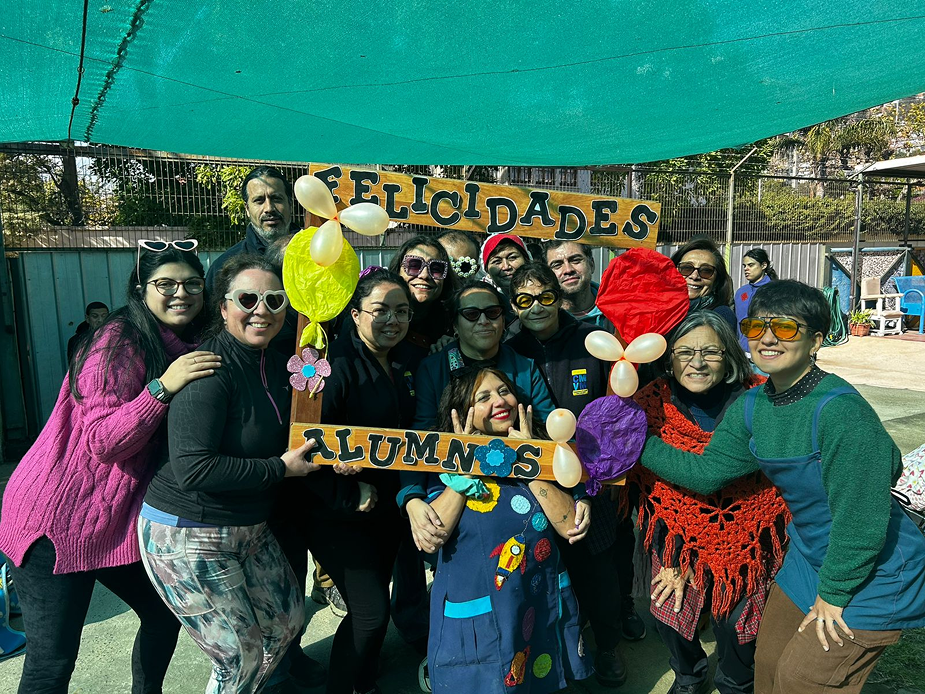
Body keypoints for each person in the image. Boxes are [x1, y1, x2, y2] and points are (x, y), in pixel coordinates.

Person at [636, 280, 925, 694]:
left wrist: (834, 593)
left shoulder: (841, 412)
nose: (768, 338)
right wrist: (636, 443)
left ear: (816, 340)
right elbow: (707, 473)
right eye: (756, 328)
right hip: (808, 559)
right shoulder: (755, 405)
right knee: (768, 665)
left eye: (786, 328)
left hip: (869, 568)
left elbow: (862, 522)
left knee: (802, 679)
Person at [0, 243, 219, 694]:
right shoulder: (117, 342)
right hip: (54, 520)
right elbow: (105, 441)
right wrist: (162, 387)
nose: (181, 293)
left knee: (165, 612)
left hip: (113, 524)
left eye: (192, 284)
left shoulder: (190, 339)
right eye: (166, 284)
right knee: (53, 659)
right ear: (141, 289)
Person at [139, 254, 322, 694]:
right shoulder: (208, 370)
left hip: (248, 526)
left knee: (287, 622)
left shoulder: (282, 365)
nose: (262, 310)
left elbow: (300, 431)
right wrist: (281, 468)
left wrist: (339, 453)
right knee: (238, 654)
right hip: (188, 531)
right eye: (247, 298)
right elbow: (193, 469)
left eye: (274, 300)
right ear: (223, 308)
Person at [628, 310, 789, 694]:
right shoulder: (649, 405)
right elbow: (649, 488)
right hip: (675, 534)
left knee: (737, 625)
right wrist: (674, 558)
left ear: (730, 356)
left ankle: (736, 682)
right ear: (668, 358)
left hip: (752, 528)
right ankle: (689, 676)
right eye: (685, 352)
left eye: (711, 352)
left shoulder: (760, 398)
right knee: (669, 611)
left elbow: (709, 474)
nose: (697, 362)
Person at [504, 262, 642, 687]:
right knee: (545, 567)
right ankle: (559, 647)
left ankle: (606, 646)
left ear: (558, 297)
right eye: (524, 301)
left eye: (545, 297)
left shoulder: (592, 340)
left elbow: (621, 404)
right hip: (533, 476)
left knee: (596, 565)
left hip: (592, 475)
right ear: (514, 305)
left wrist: (614, 469)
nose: (537, 308)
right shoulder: (509, 346)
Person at [425, 366, 592, 693]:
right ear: (462, 410)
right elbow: (435, 534)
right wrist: (466, 468)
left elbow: (570, 525)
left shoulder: (545, 453)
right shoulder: (441, 460)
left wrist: (528, 462)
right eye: (483, 397)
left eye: (503, 391)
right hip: (482, 612)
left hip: (536, 598)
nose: (498, 401)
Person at [293, 268, 416, 694]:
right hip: (338, 513)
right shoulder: (332, 368)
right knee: (370, 612)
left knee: (372, 606)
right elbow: (305, 446)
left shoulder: (406, 362)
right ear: (356, 313)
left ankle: (363, 681)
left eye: (402, 311)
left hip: (387, 508)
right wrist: (345, 492)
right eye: (380, 310)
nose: (392, 320)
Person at [205, 166, 300, 290]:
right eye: (259, 201)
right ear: (247, 209)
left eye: (276, 199)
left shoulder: (316, 254)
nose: (269, 208)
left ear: (290, 204)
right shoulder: (222, 267)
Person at [385, 234, 456, 367]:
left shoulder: (454, 324)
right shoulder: (377, 319)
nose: (424, 275)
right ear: (397, 270)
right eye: (414, 265)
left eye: (436, 269)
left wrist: (453, 349)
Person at [671, 238, 736, 333]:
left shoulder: (721, 315)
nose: (694, 276)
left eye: (706, 271)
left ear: (716, 282)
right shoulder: (656, 308)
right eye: (686, 268)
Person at [544, 240, 608, 328]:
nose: (568, 270)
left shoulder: (618, 310)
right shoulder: (541, 318)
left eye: (575, 260)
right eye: (557, 265)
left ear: (592, 264)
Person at [734, 249, 778, 353]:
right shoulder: (741, 292)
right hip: (743, 352)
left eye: (751, 265)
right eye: (744, 266)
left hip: (767, 351)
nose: (746, 269)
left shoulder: (776, 291)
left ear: (763, 266)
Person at [481, 233, 530, 298]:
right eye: (497, 262)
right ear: (487, 271)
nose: (506, 267)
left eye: (512, 257)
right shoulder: (481, 298)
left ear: (527, 260)